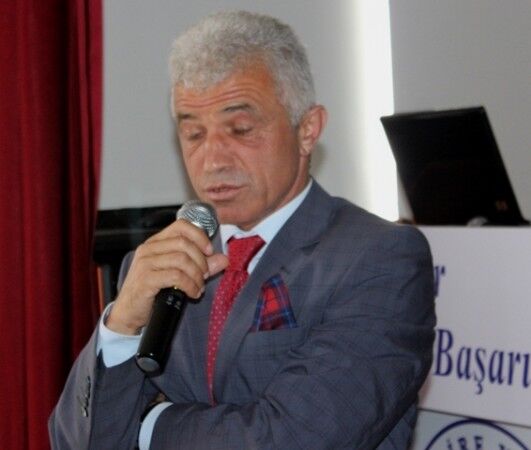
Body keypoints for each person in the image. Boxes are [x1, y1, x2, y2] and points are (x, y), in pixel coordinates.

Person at [49, 10, 435, 449]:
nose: (213, 159)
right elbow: (76, 441)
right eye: (193, 134)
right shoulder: (162, 264)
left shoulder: (378, 258)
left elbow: (291, 440)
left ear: (307, 130)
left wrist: (149, 426)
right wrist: (120, 326)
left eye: (241, 130)